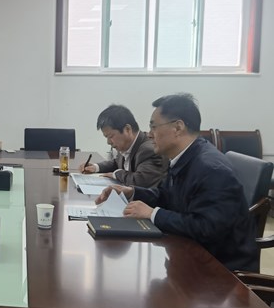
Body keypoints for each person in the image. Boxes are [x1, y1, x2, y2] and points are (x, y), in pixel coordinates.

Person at [96, 93, 258, 272]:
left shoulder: (212, 169)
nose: (149, 134)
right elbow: (166, 195)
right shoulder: (185, 157)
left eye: (154, 127)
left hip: (222, 271)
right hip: (192, 255)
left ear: (178, 127)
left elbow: (206, 228)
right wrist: (131, 192)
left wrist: (152, 213)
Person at [80, 104, 168, 187]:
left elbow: (140, 181)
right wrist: (96, 167)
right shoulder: (126, 145)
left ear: (127, 129)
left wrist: (116, 174)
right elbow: (117, 162)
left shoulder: (149, 150)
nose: (108, 142)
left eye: (111, 136)